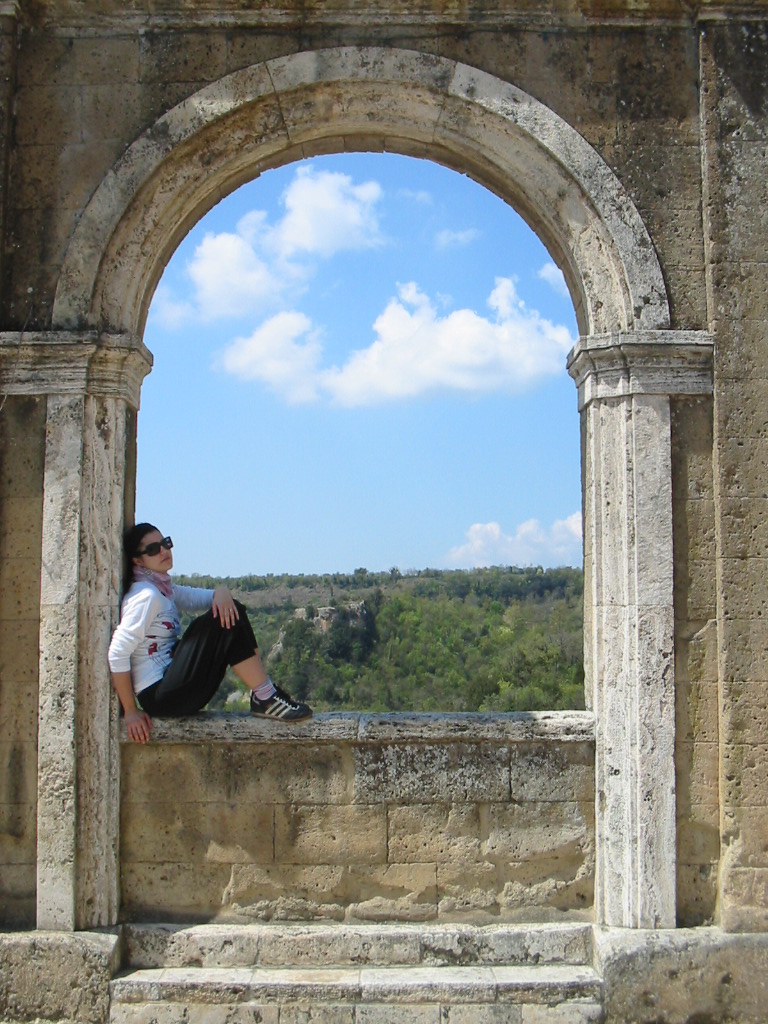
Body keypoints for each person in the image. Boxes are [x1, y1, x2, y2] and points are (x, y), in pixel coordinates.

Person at [108, 523, 312, 743]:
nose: (164, 551)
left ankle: (265, 693)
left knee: (232, 610)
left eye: (165, 543)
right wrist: (130, 710)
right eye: (153, 549)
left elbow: (205, 598)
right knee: (222, 619)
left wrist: (222, 592)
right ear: (138, 561)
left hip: (171, 687)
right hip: (161, 695)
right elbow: (117, 652)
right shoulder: (146, 596)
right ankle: (266, 698)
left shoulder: (164, 590)